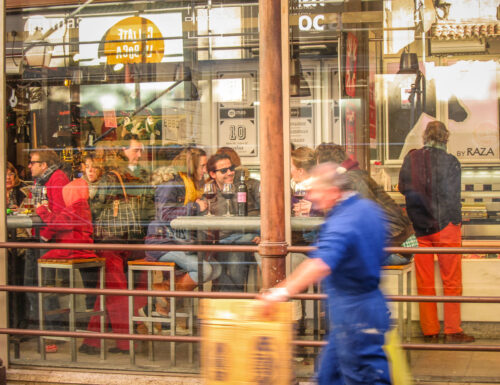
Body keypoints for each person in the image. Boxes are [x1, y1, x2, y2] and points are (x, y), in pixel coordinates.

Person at [261, 162, 391, 385]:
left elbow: (320, 264)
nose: (310, 197)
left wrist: (277, 294)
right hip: (363, 309)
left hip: (353, 315)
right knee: (329, 376)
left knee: (363, 377)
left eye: (315, 190)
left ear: (332, 191)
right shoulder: (367, 209)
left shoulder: (342, 222)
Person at [399, 121, 474, 343]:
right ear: (445, 138)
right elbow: (452, 195)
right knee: (451, 280)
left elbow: (404, 189)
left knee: (425, 280)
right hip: (445, 227)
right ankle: (452, 330)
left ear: (425, 137)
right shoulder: (451, 161)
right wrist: (454, 220)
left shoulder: (410, 159)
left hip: (420, 228)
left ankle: (430, 331)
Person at [145, 147, 221, 318]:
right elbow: (165, 215)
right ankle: (163, 299)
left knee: (216, 269)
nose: (205, 170)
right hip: (163, 243)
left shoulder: (192, 186)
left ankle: (163, 294)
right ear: (192, 166)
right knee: (205, 270)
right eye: (202, 166)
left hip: (180, 243)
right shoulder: (172, 184)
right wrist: (194, 207)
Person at [315, 142, 416, 265]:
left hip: (395, 247)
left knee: (337, 261)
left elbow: (364, 216)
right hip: (395, 242)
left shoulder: (352, 179)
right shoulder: (354, 175)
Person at [24, 147, 69, 332]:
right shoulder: (40, 180)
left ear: (44, 165)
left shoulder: (57, 179)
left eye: (32, 162)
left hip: (48, 238)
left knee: (45, 285)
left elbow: (60, 215)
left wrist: (45, 235)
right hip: (37, 236)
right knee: (31, 283)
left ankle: (52, 329)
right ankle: (38, 325)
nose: (29, 166)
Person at [207, 153, 259, 292]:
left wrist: (258, 232)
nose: (230, 173)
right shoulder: (207, 192)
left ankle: (227, 304)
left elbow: (254, 212)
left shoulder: (241, 188)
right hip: (218, 242)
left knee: (236, 255)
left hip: (239, 241)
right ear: (213, 174)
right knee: (228, 257)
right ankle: (230, 304)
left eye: (231, 168)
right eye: (224, 170)